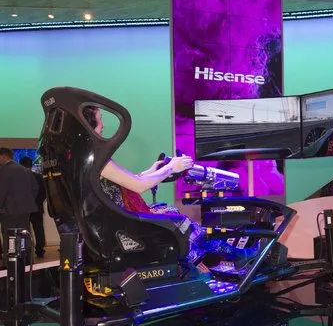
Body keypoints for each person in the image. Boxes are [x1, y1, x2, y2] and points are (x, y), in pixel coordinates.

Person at [81, 106, 258, 271]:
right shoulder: (98, 161)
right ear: (89, 126)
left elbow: (129, 181)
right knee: (179, 221)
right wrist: (171, 167)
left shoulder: (88, 159)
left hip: (113, 219)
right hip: (121, 225)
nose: (103, 125)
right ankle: (215, 258)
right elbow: (138, 186)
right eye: (99, 120)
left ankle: (212, 256)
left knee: (168, 209)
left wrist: (154, 170)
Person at [0, 147, 39, 263]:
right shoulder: (25, 170)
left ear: (3, 156)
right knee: (24, 234)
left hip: (9, 211)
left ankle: (10, 262)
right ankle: (27, 259)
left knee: (9, 236)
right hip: (25, 209)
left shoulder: (3, 170)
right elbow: (35, 188)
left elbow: (2, 191)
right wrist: (28, 201)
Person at [19, 157, 47, 258]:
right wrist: (37, 202)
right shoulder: (39, 177)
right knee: (38, 228)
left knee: (24, 229)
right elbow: (44, 192)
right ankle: (40, 249)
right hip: (37, 207)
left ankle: (26, 249)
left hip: (23, 208)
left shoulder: (20, 177)